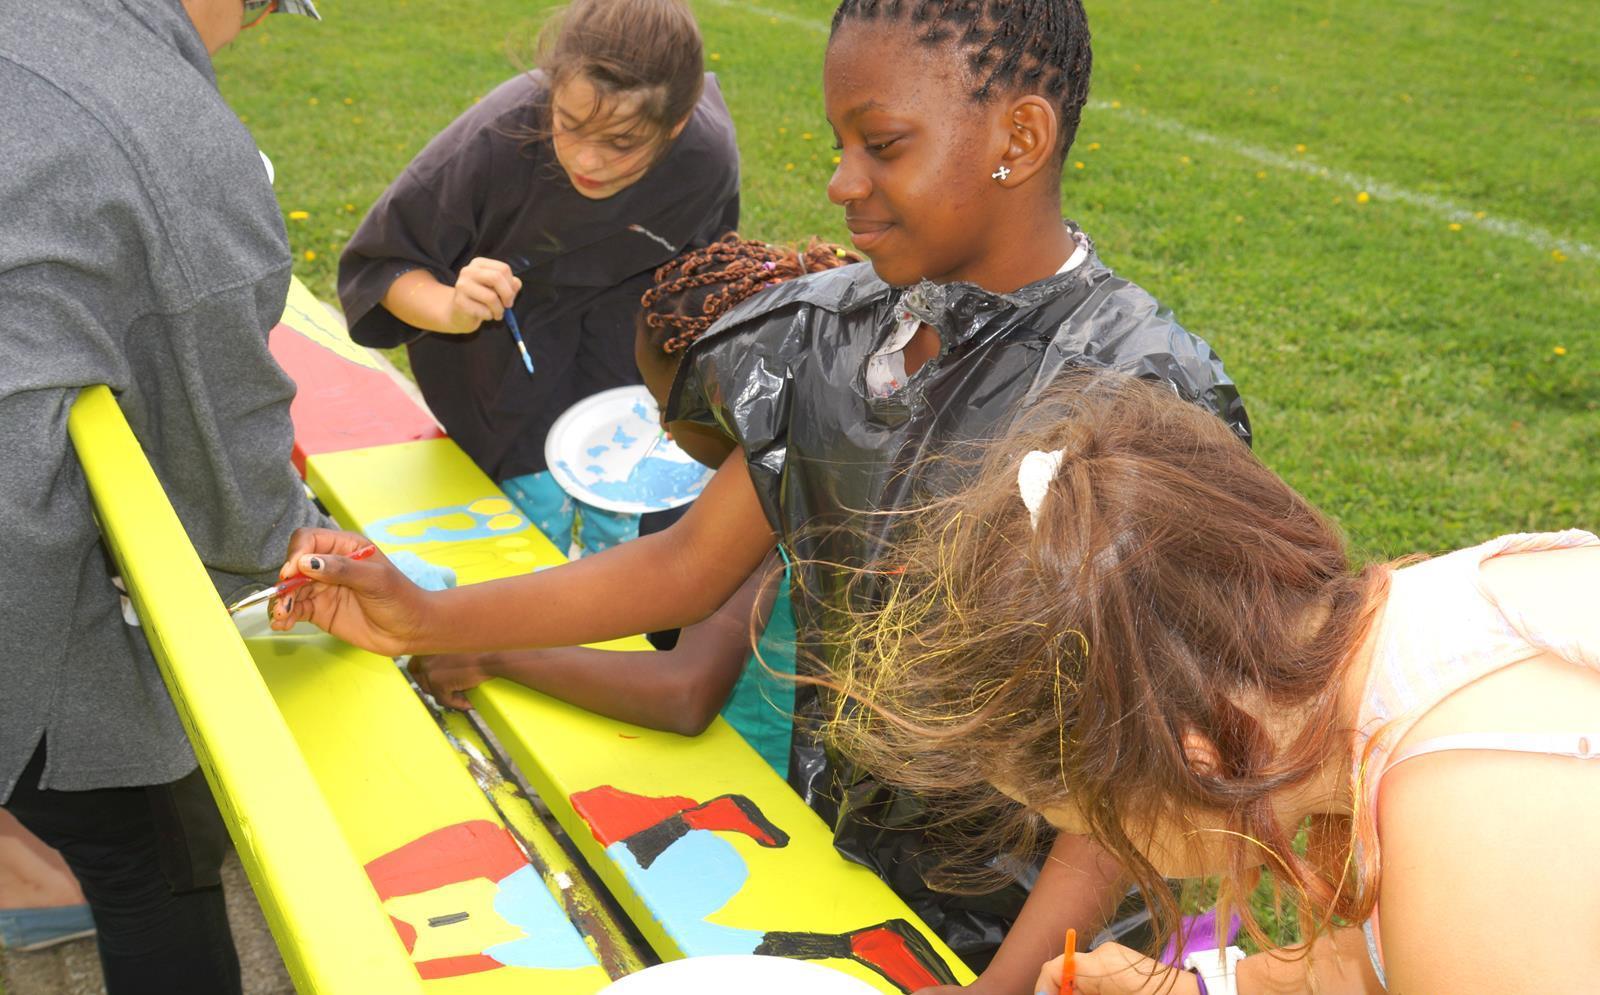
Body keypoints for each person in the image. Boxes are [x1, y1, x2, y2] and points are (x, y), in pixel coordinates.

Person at [271, 1, 1249, 988]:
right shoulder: (832, 338)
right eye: (838, 144)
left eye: (881, 144)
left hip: (1050, 955)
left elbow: (1133, 768)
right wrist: (427, 617)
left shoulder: (1140, 398)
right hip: (843, 891)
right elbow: (686, 566)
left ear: (1019, 137)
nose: (840, 181)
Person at [819, 372, 1600, 995]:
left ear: (1197, 761)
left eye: (1096, 818)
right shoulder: (1415, 640)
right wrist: (1204, 986)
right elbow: (1380, 959)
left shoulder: (1476, 818)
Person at [0, 0, 327, 991]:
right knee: (151, 855)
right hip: (31, 616)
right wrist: (312, 543)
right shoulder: (172, 139)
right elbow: (230, 500)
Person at [410, 236, 858, 777]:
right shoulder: (835, 448)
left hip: (760, 784)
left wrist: (496, 654)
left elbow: (685, 692)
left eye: (666, 407)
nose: (665, 429)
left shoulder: (769, 491)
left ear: (735, 400)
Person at [338, 0, 740, 559]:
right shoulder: (495, 137)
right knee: (526, 519)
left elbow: (703, 286)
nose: (588, 160)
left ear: (676, 125)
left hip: (627, 343)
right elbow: (385, 266)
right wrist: (452, 307)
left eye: (622, 142)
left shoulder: (706, 159)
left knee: (634, 510)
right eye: (568, 125)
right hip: (501, 344)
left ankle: (618, 620)